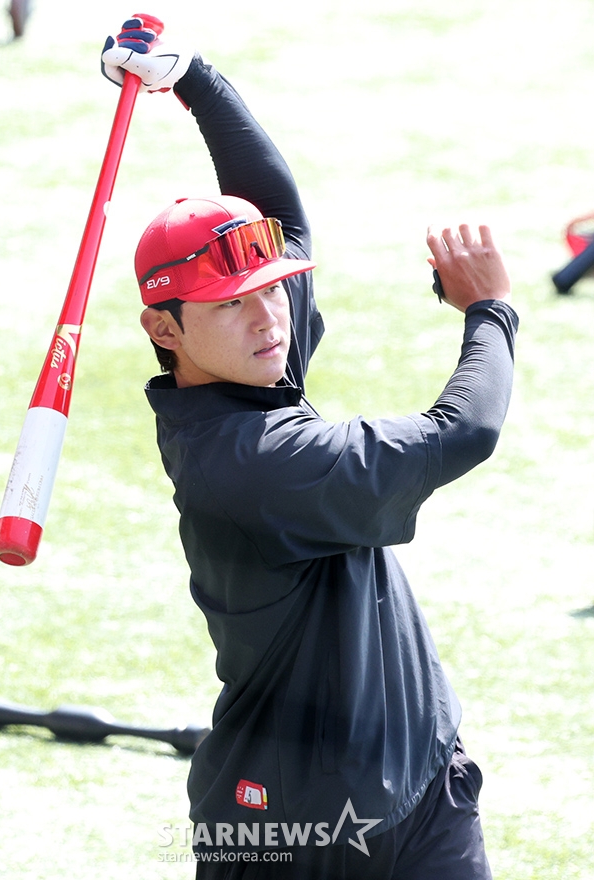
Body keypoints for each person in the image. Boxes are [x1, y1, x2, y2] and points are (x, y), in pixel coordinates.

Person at [101, 15, 518, 879]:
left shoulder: (239, 370)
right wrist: (491, 312)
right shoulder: (252, 462)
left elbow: (280, 215)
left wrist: (194, 77)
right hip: (294, 833)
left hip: (423, 787)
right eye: (231, 303)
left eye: (271, 291)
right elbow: (461, 433)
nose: (269, 318)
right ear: (164, 330)